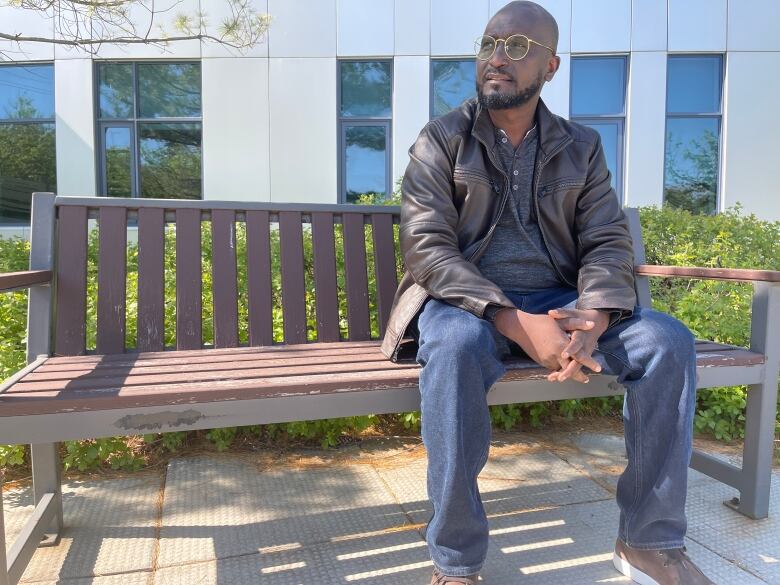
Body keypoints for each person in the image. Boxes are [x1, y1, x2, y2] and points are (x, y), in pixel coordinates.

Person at [379, 2, 715, 584]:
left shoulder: (580, 146)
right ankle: (456, 563)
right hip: (469, 308)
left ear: (551, 65)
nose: (497, 59)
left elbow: (607, 241)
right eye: (489, 44)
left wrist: (596, 317)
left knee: (667, 342)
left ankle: (649, 541)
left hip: (563, 304)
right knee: (454, 351)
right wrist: (516, 322)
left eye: (516, 48)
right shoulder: (441, 140)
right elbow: (429, 251)